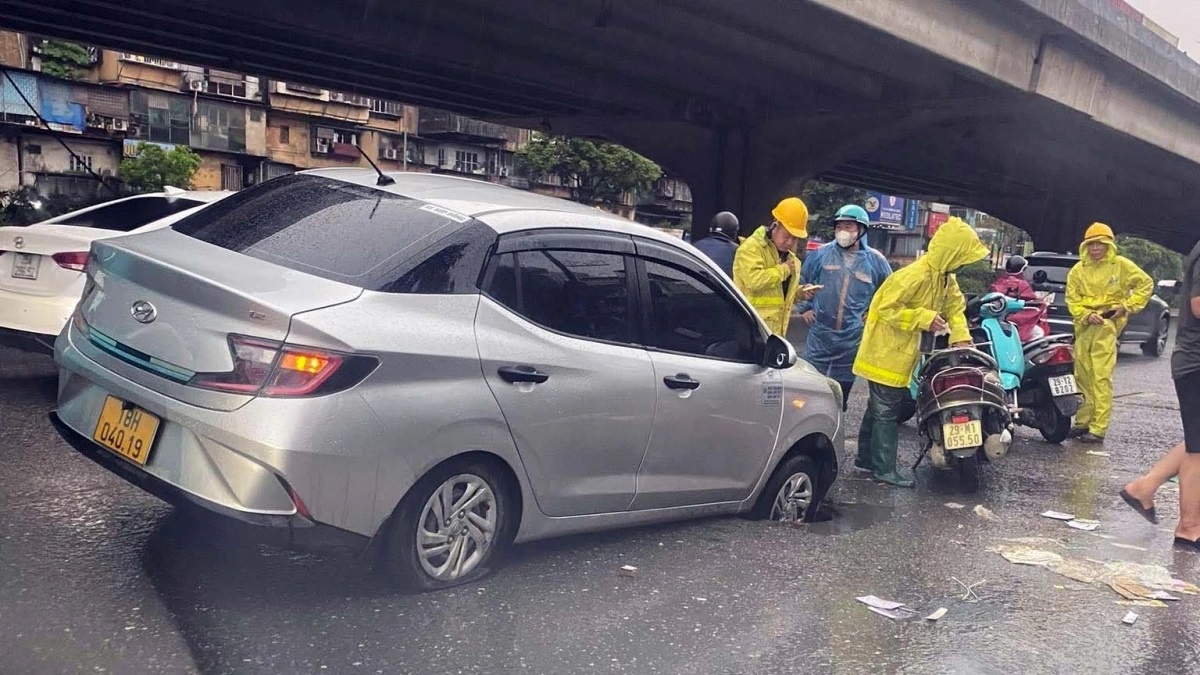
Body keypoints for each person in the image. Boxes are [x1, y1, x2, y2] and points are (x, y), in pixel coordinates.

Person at [852, 217, 990, 487]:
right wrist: (924, 318)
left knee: (877, 408)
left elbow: (955, 308)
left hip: (898, 353)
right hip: (884, 353)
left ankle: (865, 459)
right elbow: (886, 309)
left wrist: (961, 337)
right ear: (951, 254)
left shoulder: (944, 278)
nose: (963, 264)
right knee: (886, 412)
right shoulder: (914, 275)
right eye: (962, 257)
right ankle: (883, 469)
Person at [1120, 237, 1200, 549]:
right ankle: (1189, 527)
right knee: (1198, 449)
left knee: (1197, 439)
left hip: (1192, 360)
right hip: (1196, 363)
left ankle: (1144, 487)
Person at [796, 204, 892, 410]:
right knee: (810, 389)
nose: (842, 232)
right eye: (839, 226)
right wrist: (805, 308)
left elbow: (889, 293)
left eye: (848, 226)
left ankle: (835, 427)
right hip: (820, 332)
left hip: (852, 337)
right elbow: (803, 280)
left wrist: (871, 314)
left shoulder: (876, 262)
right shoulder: (820, 254)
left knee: (841, 396)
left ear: (861, 230)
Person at [1065, 223, 1153, 444]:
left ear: (1108, 245)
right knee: (1082, 375)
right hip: (1084, 327)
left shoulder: (1121, 265)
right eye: (1092, 244)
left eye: (1100, 244)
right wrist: (1085, 315)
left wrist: (1126, 306)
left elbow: (1145, 284)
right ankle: (1083, 422)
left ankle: (1098, 428)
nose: (1096, 248)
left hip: (1106, 325)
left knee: (1101, 377)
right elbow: (1072, 299)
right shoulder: (1079, 270)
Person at [733, 197, 817, 336]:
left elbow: (780, 296)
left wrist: (801, 293)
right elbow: (754, 281)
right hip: (749, 331)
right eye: (787, 235)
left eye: (795, 238)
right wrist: (783, 270)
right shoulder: (752, 248)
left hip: (775, 335)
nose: (790, 242)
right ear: (775, 225)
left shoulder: (791, 259)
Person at [693, 211, 740, 277]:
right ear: (734, 231)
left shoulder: (695, 246)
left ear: (711, 228)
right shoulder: (737, 250)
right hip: (722, 287)